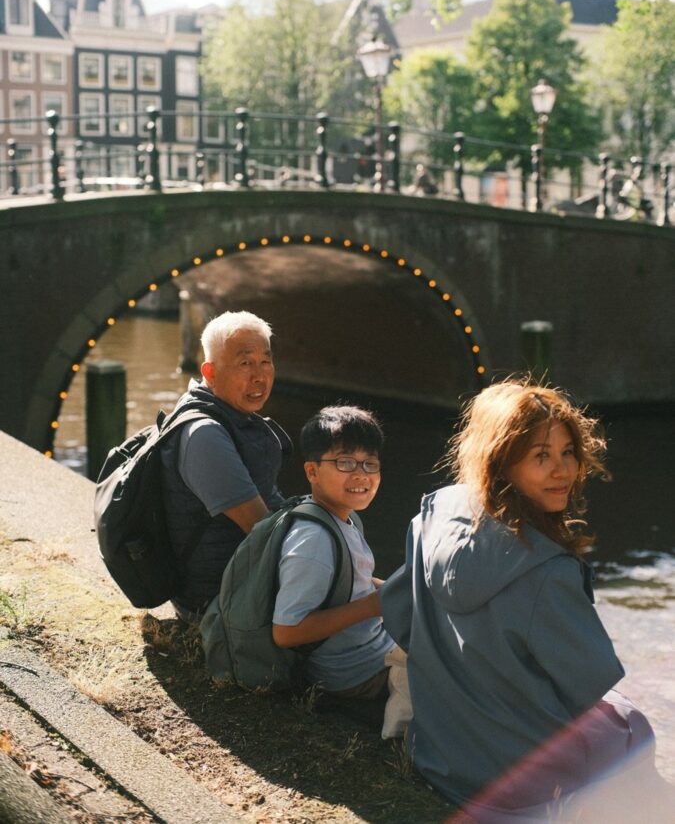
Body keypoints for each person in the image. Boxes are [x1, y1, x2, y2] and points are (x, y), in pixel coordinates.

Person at [381, 379, 672, 822]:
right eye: (541, 456)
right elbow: (587, 683)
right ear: (502, 462)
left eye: (567, 452)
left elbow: (399, 615)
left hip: (440, 756)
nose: (562, 471)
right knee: (632, 727)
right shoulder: (547, 573)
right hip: (520, 785)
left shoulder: (432, 515)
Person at [160, 310, 291, 623]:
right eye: (245, 363)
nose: (260, 376)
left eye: (266, 360)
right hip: (213, 603)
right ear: (210, 372)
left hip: (237, 578)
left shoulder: (230, 415)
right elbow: (262, 531)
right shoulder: (205, 435)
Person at [272, 406, 395, 698]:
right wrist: (372, 606)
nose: (361, 475)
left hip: (374, 649)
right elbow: (286, 632)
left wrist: (390, 590)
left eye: (370, 464)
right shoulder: (313, 540)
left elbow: (350, 582)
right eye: (345, 462)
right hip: (355, 675)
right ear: (312, 471)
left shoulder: (342, 517)